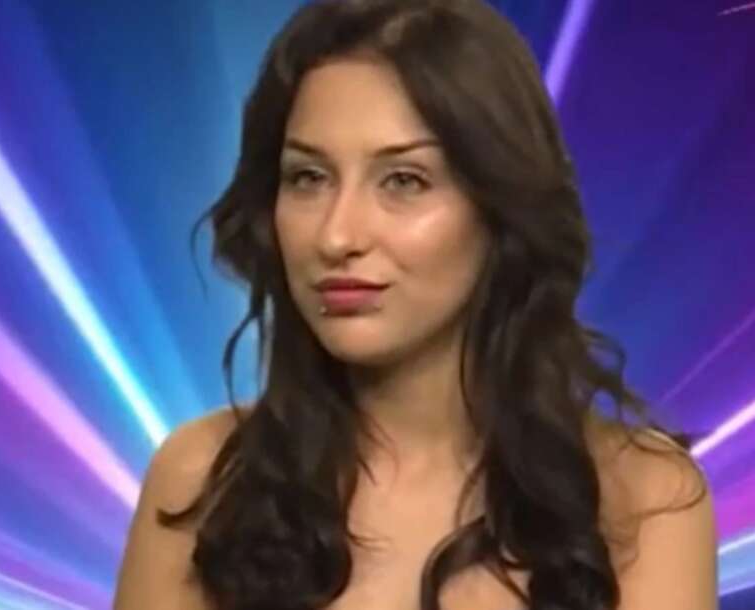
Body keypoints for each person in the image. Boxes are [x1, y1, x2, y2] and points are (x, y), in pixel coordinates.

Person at [114, 1, 717, 608]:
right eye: (308, 177)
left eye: (404, 180)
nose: (336, 236)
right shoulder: (201, 480)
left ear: (500, 207)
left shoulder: (644, 501)